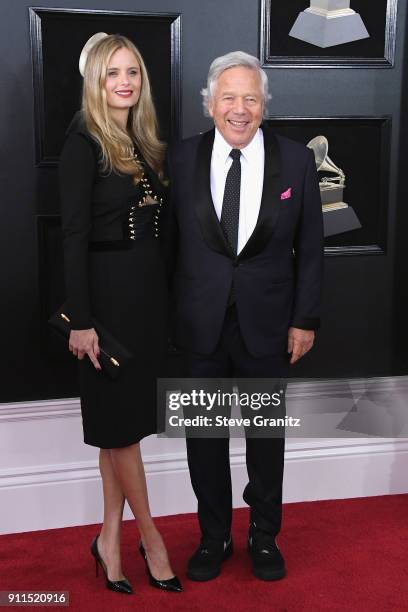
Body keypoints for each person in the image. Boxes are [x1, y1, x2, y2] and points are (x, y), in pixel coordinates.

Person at [166, 51, 324, 582]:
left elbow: (312, 248)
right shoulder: (180, 159)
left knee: (264, 438)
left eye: (250, 98)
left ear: (264, 106)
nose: (239, 109)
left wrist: (305, 320)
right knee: (203, 440)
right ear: (210, 104)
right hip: (198, 325)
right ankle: (213, 538)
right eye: (228, 97)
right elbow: (166, 249)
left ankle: (263, 536)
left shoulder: (297, 162)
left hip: (268, 324)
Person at [59, 33, 182, 594]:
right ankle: (150, 537)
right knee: (123, 430)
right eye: (113, 73)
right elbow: (73, 236)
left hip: (146, 301)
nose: (125, 82)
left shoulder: (141, 138)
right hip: (104, 306)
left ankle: (108, 537)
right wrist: (81, 321)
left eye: (132, 71)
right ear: (96, 81)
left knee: (119, 429)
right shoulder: (82, 142)